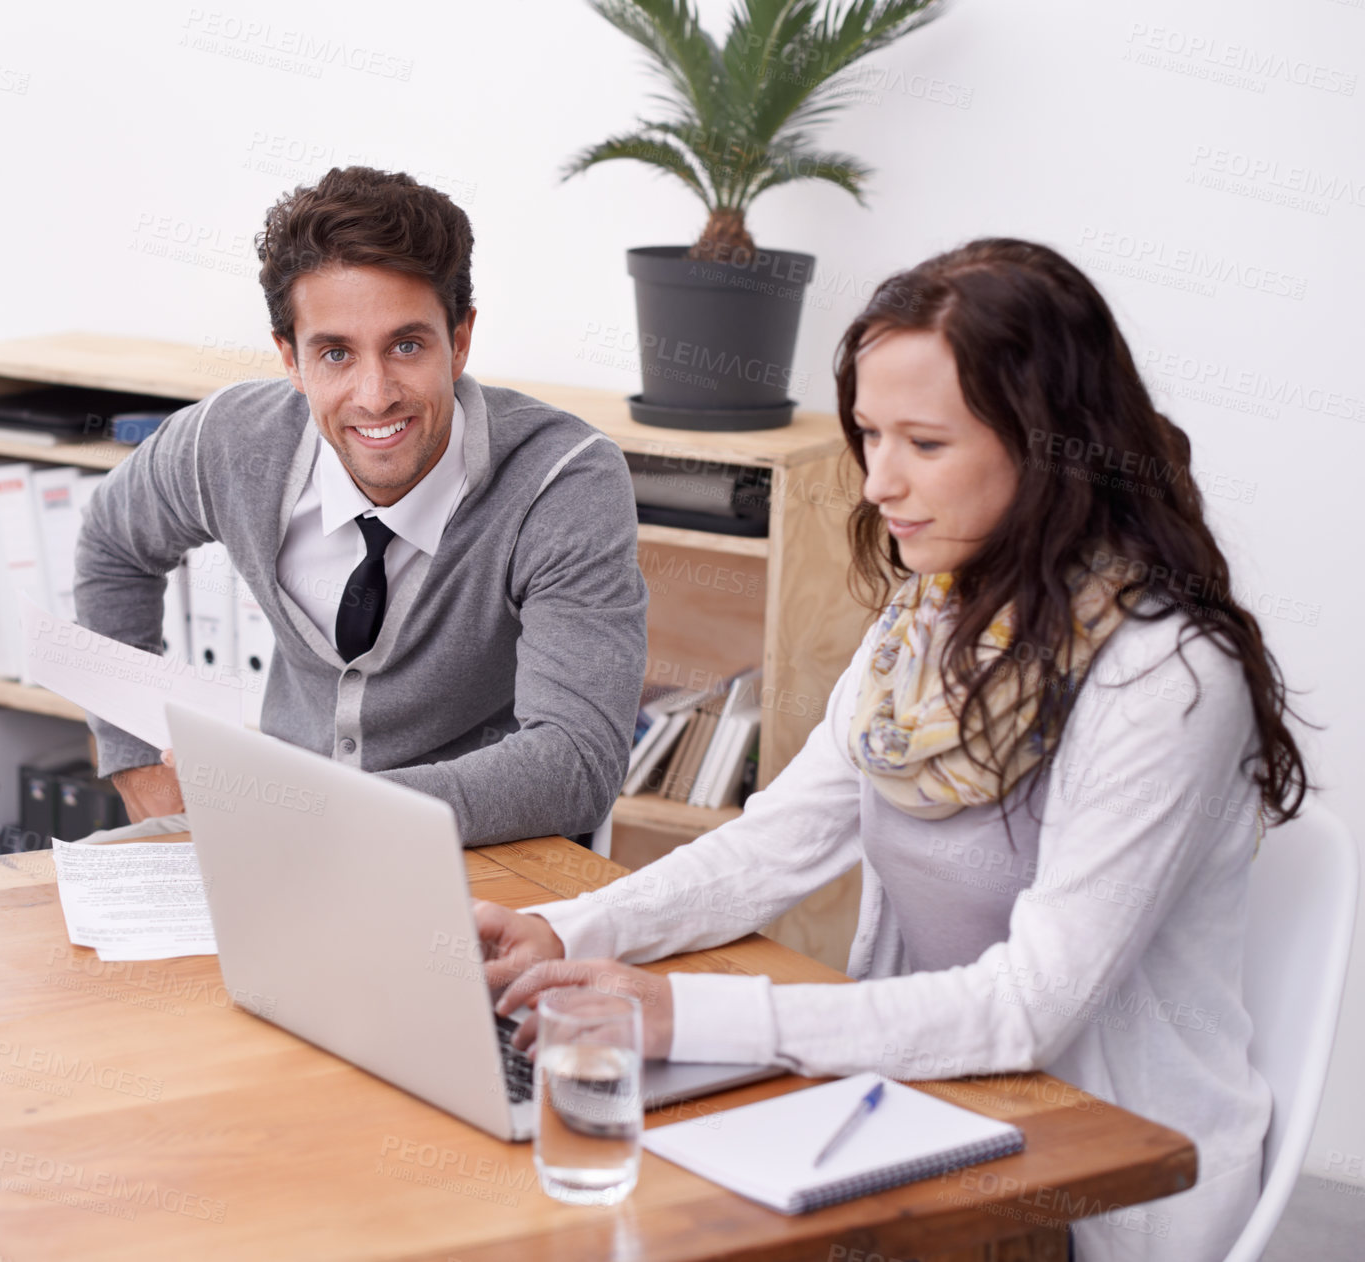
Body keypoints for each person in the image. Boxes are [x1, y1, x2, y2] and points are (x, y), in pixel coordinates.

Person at [474, 239, 1311, 1261]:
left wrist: (688, 1011)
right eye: (871, 435)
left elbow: (1026, 1006)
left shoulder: (1164, 678)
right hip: (917, 1110)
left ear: (1051, 446)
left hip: (1102, 1184)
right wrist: (565, 930)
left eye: (925, 442)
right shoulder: (926, 626)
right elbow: (769, 846)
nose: (878, 483)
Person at [74, 167, 648, 845]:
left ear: (459, 340)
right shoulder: (231, 443)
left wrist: (308, 806)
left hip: (486, 855)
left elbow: (575, 765)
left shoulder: (562, 482)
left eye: (406, 346)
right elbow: (112, 544)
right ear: (290, 358)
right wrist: (140, 762)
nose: (375, 395)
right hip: (278, 840)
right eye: (336, 354)